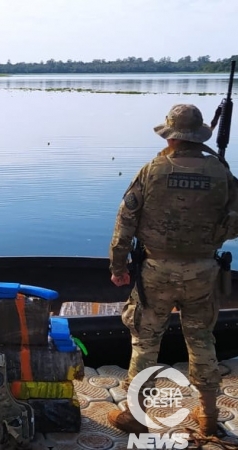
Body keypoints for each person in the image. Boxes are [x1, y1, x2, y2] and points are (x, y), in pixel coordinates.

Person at [107, 103, 238, 437]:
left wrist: (118, 267)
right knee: (201, 339)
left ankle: (136, 415)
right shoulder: (221, 172)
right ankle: (208, 416)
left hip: (155, 272)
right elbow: (235, 224)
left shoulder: (152, 170)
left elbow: (125, 224)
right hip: (203, 271)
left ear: (171, 137)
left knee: (146, 342)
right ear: (198, 136)